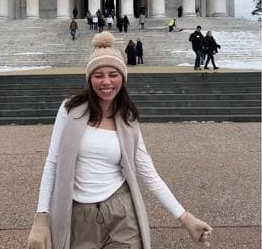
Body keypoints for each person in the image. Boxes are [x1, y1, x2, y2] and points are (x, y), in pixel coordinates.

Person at [27, 31, 213, 249]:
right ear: (89, 78)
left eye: (113, 74)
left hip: (121, 212)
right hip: (77, 215)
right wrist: (41, 218)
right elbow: (53, 162)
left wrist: (186, 218)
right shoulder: (70, 109)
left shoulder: (128, 118)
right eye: (99, 75)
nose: (106, 81)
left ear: (123, 78)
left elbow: (148, 173)